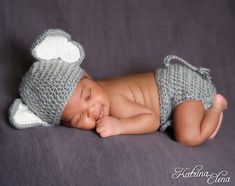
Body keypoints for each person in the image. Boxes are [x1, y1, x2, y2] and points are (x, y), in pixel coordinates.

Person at [9, 29, 227, 147]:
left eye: (88, 96)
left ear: (87, 75)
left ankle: (216, 106)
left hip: (181, 89)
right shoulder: (99, 89)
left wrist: (119, 126)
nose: (92, 111)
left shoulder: (114, 100)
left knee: (188, 136)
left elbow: (150, 119)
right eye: (78, 119)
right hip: (170, 93)